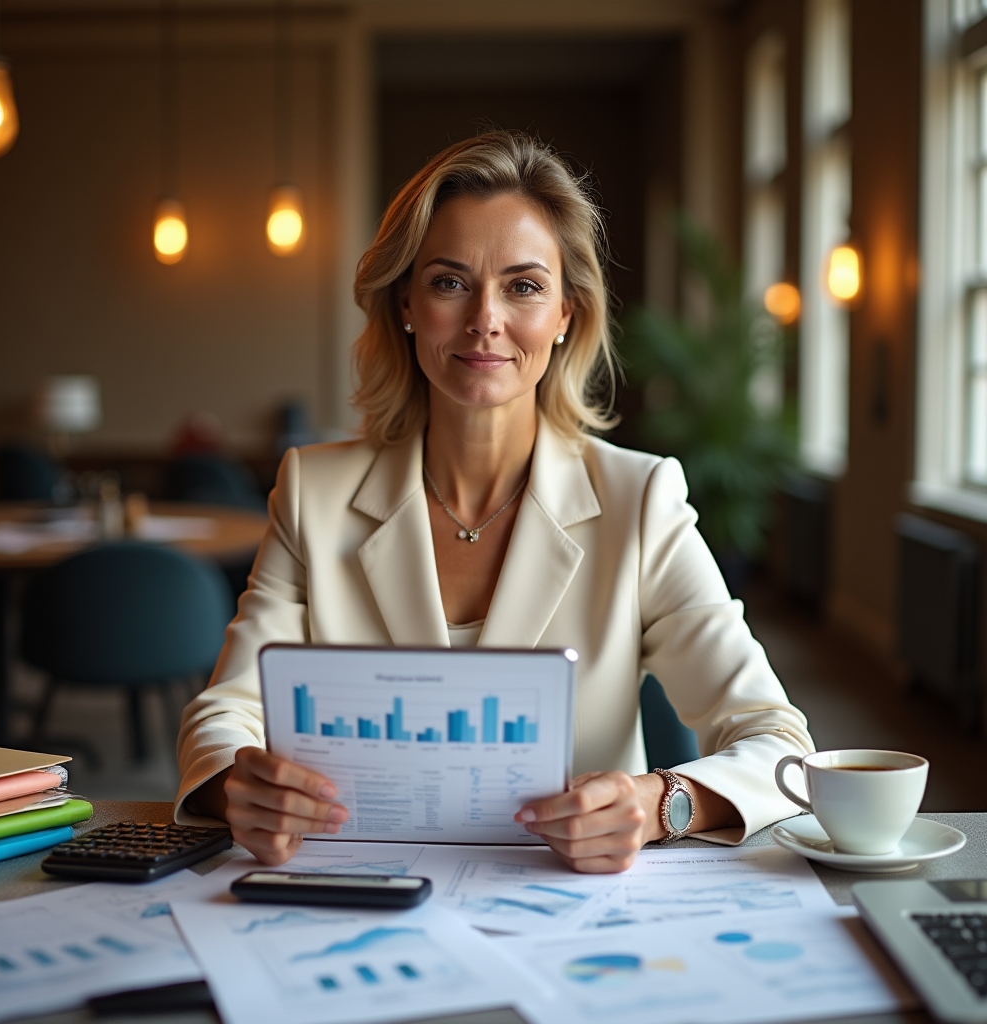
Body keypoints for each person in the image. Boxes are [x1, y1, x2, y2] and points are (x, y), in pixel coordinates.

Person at [175, 130, 814, 873]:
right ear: (406, 303)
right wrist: (234, 784)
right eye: (449, 282)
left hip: (565, 905)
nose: (486, 319)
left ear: (566, 314)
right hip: (355, 887)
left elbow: (779, 742)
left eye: (523, 286)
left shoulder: (640, 500)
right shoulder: (313, 491)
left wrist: (661, 802)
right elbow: (225, 711)